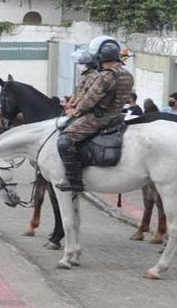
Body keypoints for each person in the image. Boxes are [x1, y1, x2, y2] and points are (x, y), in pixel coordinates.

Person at [57, 36, 134, 192]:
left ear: (100, 57)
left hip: (99, 117)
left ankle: (74, 180)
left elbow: (90, 99)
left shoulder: (107, 76)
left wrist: (77, 111)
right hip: (117, 115)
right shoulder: (127, 75)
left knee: (64, 140)